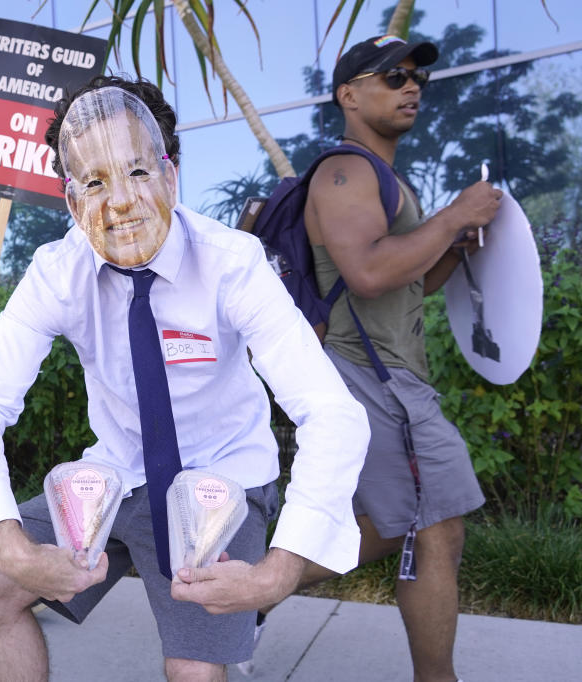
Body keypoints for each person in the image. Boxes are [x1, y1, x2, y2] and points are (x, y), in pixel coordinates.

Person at [0, 75, 370, 681]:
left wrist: (280, 569)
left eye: (138, 173)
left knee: (192, 669)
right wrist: (9, 544)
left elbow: (330, 411)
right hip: (117, 474)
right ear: (72, 198)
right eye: (94, 181)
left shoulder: (232, 263)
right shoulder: (57, 272)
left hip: (221, 475)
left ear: (171, 175)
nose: (117, 201)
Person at [210, 36, 503, 681]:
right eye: (393, 75)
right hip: (370, 374)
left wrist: (451, 247)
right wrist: (454, 215)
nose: (412, 86)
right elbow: (367, 273)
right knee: (437, 527)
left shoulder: (384, 180)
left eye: (416, 76)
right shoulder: (348, 172)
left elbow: (403, 280)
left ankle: (240, 593)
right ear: (349, 94)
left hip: (383, 373)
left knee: (387, 525)